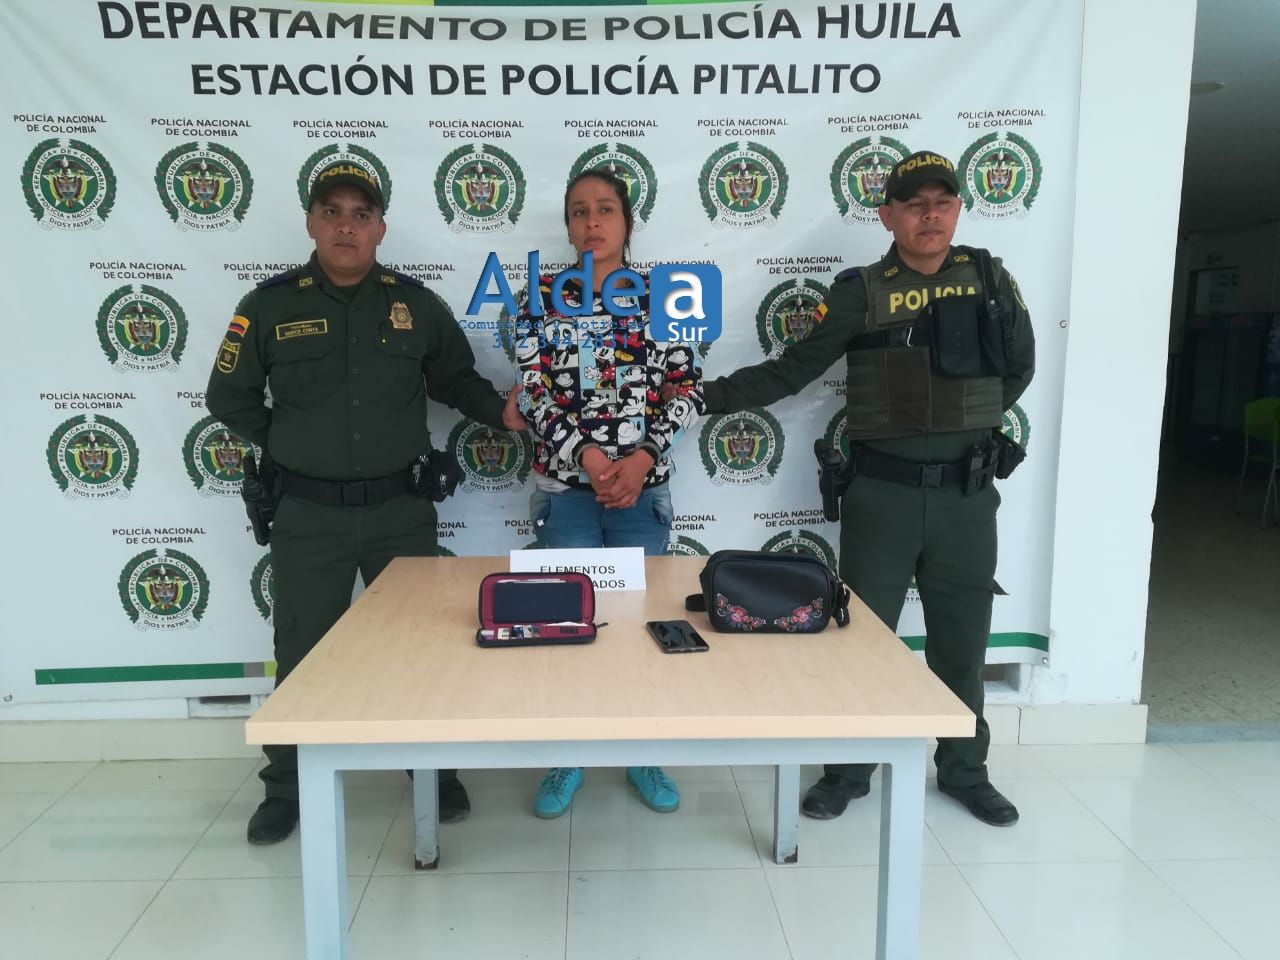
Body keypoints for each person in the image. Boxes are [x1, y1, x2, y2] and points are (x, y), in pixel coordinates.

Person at [698, 150, 1035, 826]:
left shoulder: (989, 279)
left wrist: (958, 424)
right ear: (887, 215)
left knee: (962, 642)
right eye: (914, 204)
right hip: (882, 496)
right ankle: (848, 771)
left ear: (958, 209)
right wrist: (701, 396)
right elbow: (793, 370)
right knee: (861, 644)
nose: (930, 215)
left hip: (967, 499)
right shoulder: (861, 290)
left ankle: (965, 770)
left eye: (942, 202)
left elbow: (1019, 368)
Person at [206, 160, 525, 844]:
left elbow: (457, 381)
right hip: (308, 516)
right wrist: (290, 442)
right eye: (332, 212)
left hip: (398, 512)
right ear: (311, 223)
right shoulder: (268, 306)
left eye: (360, 214)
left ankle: (432, 774)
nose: (346, 226)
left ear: (380, 227)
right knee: (301, 652)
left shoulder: (415, 305)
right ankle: (288, 787)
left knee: (419, 648)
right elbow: (227, 396)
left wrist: (504, 412)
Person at [511, 170, 705, 819]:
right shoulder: (540, 297)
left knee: (639, 623)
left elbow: (687, 388)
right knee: (567, 623)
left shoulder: (666, 297)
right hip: (566, 491)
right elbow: (533, 392)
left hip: (641, 493)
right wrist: (591, 458)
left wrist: (642, 458)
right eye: (579, 211)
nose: (592, 222)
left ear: (627, 221)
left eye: (605, 209)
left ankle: (642, 750)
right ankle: (566, 753)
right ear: (567, 226)